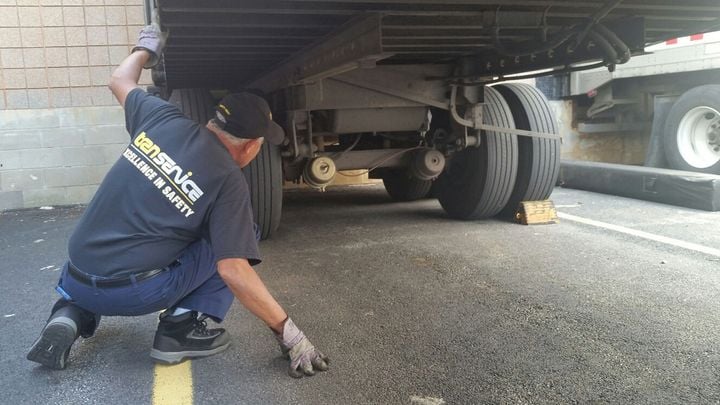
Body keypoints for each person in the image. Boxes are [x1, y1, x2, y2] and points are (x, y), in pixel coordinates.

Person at [26, 24, 329, 378]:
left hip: (75, 273)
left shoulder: (161, 118)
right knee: (241, 236)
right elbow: (234, 271)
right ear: (249, 146)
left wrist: (146, 49)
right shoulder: (228, 182)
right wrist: (290, 334)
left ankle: (68, 315)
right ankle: (180, 330)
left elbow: (118, 80)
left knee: (112, 247)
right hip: (133, 293)